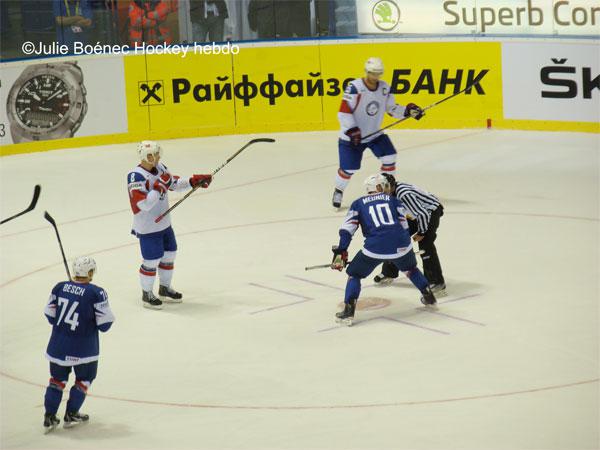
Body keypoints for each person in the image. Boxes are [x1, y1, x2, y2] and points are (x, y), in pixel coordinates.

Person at [330, 174, 436, 326]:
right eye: (384, 185)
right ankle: (429, 296)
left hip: (374, 248)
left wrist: (341, 252)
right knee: (410, 268)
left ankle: (348, 311)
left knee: (354, 274)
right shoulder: (395, 201)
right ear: (378, 187)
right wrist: (399, 247)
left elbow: (347, 230)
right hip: (402, 245)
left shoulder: (358, 204)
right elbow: (406, 224)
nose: (387, 188)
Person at [127, 141, 213, 310]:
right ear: (148, 156)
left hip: (164, 223)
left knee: (169, 254)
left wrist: (193, 181)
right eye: (156, 154)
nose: (159, 156)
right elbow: (143, 205)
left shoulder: (160, 168)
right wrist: (159, 187)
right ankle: (147, 294)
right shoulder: (135, 176)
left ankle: (164, 289)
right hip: (148, 226)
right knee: (151, 260)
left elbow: (173, 184)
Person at [332, 56, 424, 209]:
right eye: (372, 73)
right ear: (366, 72)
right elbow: (344, 112)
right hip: (351, 138)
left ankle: (388, 192)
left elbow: (392, 109)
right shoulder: (354, 87)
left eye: (378, 73)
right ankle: (338, 190)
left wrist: (408, 111)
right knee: (349, 168)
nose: (375, 77)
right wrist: (352, 130)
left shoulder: (384, 88)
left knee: (389, 156)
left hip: (375, 134)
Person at [42, 256, 115, 433]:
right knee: (84, 379)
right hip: (84, 349)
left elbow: (50, 315)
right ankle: (72, 412)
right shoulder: (96, 293)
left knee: (57, 381)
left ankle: (49, 416)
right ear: (89, 273)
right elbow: (105, 325)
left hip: (58, 345)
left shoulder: (59, 287)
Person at [373, 173, 446, 294]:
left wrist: (422, 232)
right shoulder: (389, 194)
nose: (379, 190)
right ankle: (389, 272)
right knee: (395, 239)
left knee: (425, 244)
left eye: (381, 186)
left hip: (430, 212)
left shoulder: (404, 194)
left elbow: (422, 214)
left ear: (389, 185)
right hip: (415, 213)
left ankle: (436, 281)